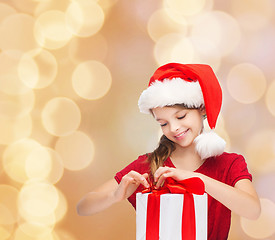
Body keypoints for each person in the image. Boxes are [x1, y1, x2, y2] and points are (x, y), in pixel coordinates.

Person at [77, 63, 261, 239]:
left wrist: (197, 180)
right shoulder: (149, 165)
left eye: (181, 116)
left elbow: (253, 210)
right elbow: (83, 207)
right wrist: (114, 195)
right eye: (163, 123)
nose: (173, 128)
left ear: (202, 109)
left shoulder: (228, 164)